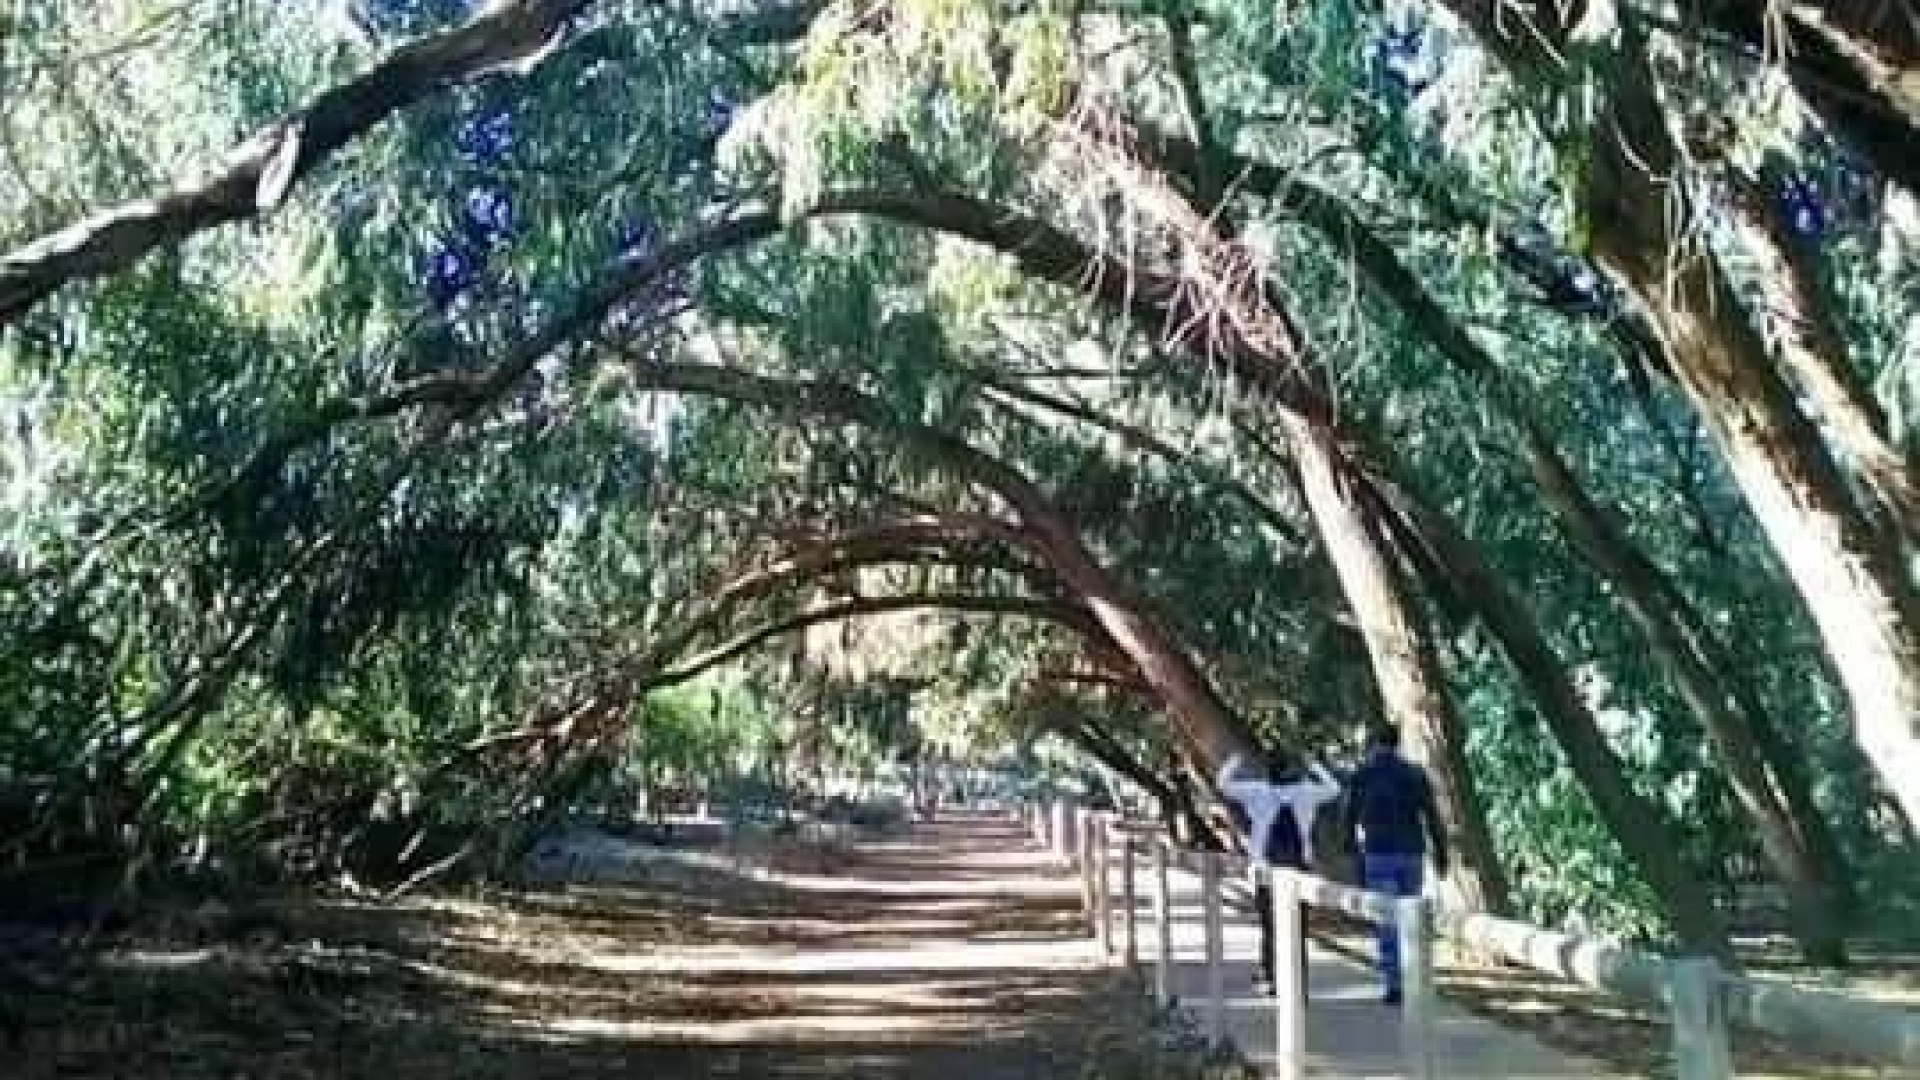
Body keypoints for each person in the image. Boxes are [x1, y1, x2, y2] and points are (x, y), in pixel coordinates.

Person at [1216, 752, 1342, 996]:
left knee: (1270, 925)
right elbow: (1334, 789)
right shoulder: (1307, 792)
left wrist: (1235, 761)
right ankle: (1299, 982)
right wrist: (1314, 765)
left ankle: (1274, 978)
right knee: (1299, 928)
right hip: (1298, 869)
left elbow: (1222, 784)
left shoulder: (1257, 791)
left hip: (1266, 870)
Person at [1341, 723, 1450, 1004]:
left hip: (1378, 852)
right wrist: (1441, 851)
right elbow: (1431, 814)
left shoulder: (1362, 774)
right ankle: (1413, 975)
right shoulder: (1414, 773)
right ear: (1397, 742)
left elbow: (1349, 815)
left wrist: (1350, 849)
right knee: (1410, 915)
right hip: (1412, 851)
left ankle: (1395, 982)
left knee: (1387, 919)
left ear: (1374, 743)